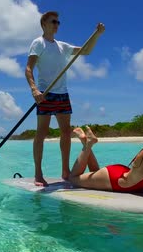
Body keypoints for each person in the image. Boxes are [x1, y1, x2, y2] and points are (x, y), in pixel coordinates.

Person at [25, 11, 105, 187]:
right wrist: (34, 90)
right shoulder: (38, 43)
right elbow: (29, 69)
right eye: (53, 21)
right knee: (42, 133)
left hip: (62, 94)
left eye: (58, 22)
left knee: (66, 132)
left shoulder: (62, 46)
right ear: (44, 24)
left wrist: (97, 35)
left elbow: (86, 50)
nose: (57, 24)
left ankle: (65, 171)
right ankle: (38, 173)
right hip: (45, 93)